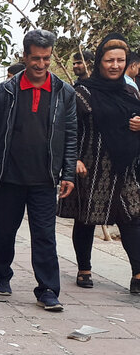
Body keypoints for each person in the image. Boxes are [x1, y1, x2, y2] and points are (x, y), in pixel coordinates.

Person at [0, 29, 78, 312]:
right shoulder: (5, 92)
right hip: (9, 175)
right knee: (4, 231)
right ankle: (1, 275)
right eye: (35, 58)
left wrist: (68, 173)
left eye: (46, 58)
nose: (40, 64)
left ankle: (48, 288)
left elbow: (71, 135)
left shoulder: (65, 93)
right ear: (24, 57)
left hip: (45, 178)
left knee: (45, 235)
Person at [58, 33, 140, 294]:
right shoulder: (82, 92)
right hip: (91, 166)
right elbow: (68, 129)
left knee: (132, 217)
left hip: (124, 167)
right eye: (109, 60)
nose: (115, 65)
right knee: (86, 218)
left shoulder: (130, 92)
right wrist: (73, 160)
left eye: (120, 60)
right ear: (99, 63)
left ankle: (137, 274)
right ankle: (84, 268)